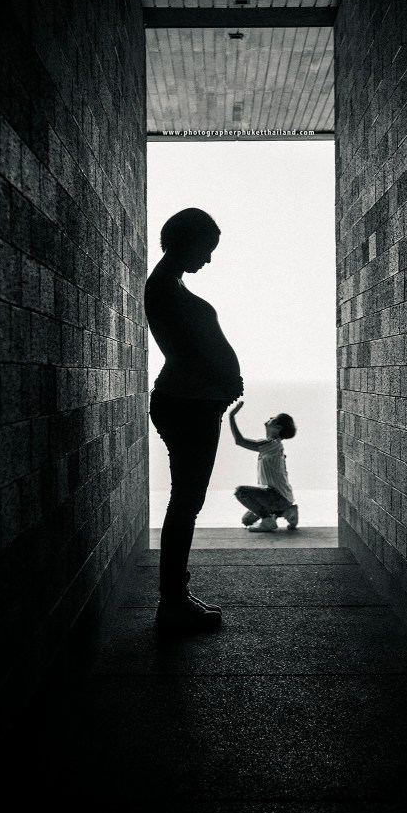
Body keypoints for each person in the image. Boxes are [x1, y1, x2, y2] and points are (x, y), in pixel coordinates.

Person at [145, 208, 243, 632]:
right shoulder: (165, 286)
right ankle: (173, 602)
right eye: (206, 249)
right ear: (185, 240)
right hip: (189, 403)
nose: (208, 259)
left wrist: (224, 383)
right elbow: (191, 350)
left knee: (187, 502)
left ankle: (176, 597)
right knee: (186, 503)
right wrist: (223, 379)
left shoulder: (170, 284)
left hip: (191, 401)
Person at [229, 401, 299, 532]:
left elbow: (240, 441)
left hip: (277, 497)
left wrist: (231, 417)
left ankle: (268, 521)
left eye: (274, 418)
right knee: (246, 521)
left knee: (241, 492)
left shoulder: (271, 444)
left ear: (278, 428)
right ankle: (286, 512)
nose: (271, 417)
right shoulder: (274, 446)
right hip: (281, 498)